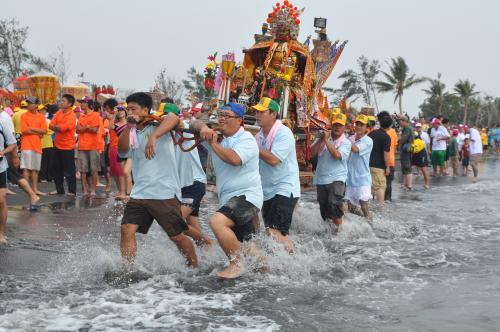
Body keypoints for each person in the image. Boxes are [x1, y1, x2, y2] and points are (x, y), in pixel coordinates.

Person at [117, 92, 197, 267]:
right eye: (127, 109)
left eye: (134, 109)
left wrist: (153, 137)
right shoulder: (131, 131)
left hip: (164, 191)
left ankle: (195, 269)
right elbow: (122, 151)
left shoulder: (159, 124)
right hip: (140, 192)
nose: (130, 112)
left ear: (146, 109)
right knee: (126, 229)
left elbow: (174, 118)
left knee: (176, 236)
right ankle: (127, 269)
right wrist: (129, 127)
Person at [191, 102, 264, 279]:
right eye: (220, 115)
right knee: (246, 245)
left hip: (247, 196)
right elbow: (191, 124)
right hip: (229, 198)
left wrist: (214, 144)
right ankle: (267, 271)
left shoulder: (246, 139)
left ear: (239, 120)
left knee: (217, 222)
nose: (222, 118)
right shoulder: (218, 137)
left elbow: (234, 159)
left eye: (227, 115)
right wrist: (203, 127)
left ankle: (236, 265)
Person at [253, 97, 300, 252]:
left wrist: (251, 147)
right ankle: (285, 262)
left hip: (285, 188)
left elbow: (273, 160)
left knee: (274, 232)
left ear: (273, 114)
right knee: (270, 233)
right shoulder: (259, 135)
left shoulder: (284, 133)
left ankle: (297, 260)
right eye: (256, 111)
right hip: (267, 190)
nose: (257, 115)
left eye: (262, 112)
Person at [311, 113, 351, 232]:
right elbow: (311, 153)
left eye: (340, 125)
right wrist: (320, 140)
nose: (337, 128)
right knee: (324, 208)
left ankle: (339, 234)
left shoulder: (346, 143)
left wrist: (326, 141)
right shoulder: (323, 138)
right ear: (331, 126)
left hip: (337, 179)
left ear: (344, 128)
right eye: (335, 125)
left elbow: (337, 155)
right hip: (321, 179)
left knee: (335, 206)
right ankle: (329, 232)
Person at [48, 94, 77, 196]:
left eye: (63, 101)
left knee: (69, 170)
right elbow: (50, 125)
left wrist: (57, 127)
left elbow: (63, 128)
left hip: (67, 146)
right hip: (57, 144)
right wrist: (58, 127)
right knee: (55, 168)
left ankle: (72, 191)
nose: (61, 102)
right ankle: (59, 189)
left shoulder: (72, 116)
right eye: (61, 100)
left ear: (69, 104)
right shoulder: (59, 113)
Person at [346, 115, 373, 220]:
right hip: (350, 179)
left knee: (364, 205)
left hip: (362, 179)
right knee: (350, 208)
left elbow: (356, 149)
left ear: (366, 128)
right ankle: (360, 224)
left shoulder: (368, 141)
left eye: (362, 125)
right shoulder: (350, 138)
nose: (359, 127)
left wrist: (344, 138)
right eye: (357, 124)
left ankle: (370, 225)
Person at [20, 97, 47, 196]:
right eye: (28, 103)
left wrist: (31, 128)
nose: (28, 105)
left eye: (30, 103)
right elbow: (24, 130)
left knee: (35, 168)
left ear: (36, 105)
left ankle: (34, 189)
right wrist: (37, 131)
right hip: (26, 145)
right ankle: (28, 190)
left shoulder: (41, 117)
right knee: (26, 168)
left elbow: (44, 131)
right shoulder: (23, 115)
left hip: (37, 145)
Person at [76, 97, 102, 196]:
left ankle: (93, 190)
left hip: (93, 146)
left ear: (87, 104)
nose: (81, 104)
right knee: (82, 170)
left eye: (82, 103)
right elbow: (77, 130)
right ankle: (84, 190)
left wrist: (85, 128)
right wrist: (87, 127)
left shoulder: (95, 115)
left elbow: (95, 130)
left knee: (94, 169)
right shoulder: (81, 116)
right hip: (82, 146)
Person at [0, 114, 18, 244]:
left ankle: (1, 233)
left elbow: (12, 143)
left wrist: (3, 152)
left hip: (0, 167)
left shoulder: (3, 121)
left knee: (1, 201)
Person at [106, 99, 128, 200]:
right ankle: (120, 190)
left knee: (121, 172)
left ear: (126, 111)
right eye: (118, 110)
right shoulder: (115, 123)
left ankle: (124, 192)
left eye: (122, 109)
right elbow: (110, 126)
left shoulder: (129, 124)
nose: (120, 111)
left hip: (123, 149)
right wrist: (114, 114)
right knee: (114, 172)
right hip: (113, 148)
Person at [368, 115, 391, 203]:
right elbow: (386, 153)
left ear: (380, 123)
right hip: (379, 166)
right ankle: (380, 208)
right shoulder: (386, 137)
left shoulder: (371, 133)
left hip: (368, 164)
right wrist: (387, 167)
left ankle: (367, 207)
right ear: (390, 126)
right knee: (380, 187)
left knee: (371, 186)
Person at [382, 112, 397, 201]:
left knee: (379, 185)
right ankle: (387, 203)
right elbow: (394, 148)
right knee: (388, 184)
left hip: (380, 162)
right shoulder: (393, 133)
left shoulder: (377, 132)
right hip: (391, 161)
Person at [38, 104, 55, 182]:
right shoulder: (37, 120)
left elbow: (52, 130)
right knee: (42, 161)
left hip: (49, 142)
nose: (44, 111)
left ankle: (49, 176)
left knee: (50, 160)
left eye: (45, 110)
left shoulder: (48, 120)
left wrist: (44, 131)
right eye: (42, 110)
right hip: (40, 143)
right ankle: (42, 177)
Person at [398, 115, 414, 190]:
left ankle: (409, 185)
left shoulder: (407, 129)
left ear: (404, 121)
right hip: (405, 150)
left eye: (400, 121)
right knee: (404, 167)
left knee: (407, 167)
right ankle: (404, 184)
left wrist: (398, 138)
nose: (399, 123)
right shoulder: (406, 128)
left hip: (406, 150)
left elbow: (403, 139)